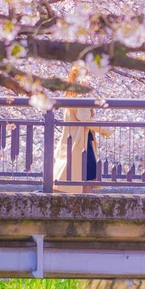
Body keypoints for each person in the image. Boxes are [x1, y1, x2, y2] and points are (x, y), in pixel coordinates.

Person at [53, 65, 112, 193]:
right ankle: (87, 205)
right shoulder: (79, 98)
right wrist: (105, 130)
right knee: (87, 176)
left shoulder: (69, 96)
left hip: (74, 142)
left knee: (80, 174)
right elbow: (86, 119)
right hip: (81, 144)